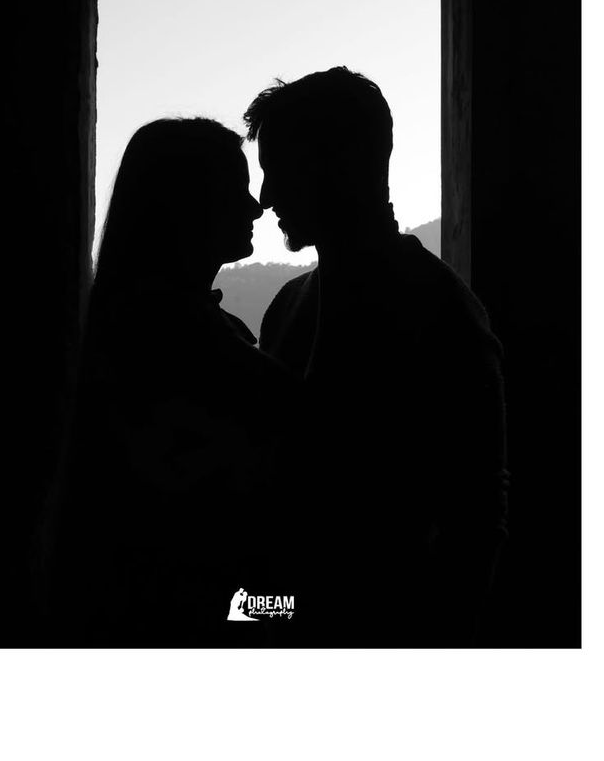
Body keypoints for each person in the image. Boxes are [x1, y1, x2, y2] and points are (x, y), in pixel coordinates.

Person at [243, 68, 509, 646]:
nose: (265, 198)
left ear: (336, 164)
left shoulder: (442, 312)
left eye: (278, 170)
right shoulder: (289, 307)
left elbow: (474, 523)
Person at [41, 118, 301, 645]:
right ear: (188, 206)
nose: (255, 207)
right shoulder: (180, 344)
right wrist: (294, 615)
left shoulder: (131, 330)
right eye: (236, 189)